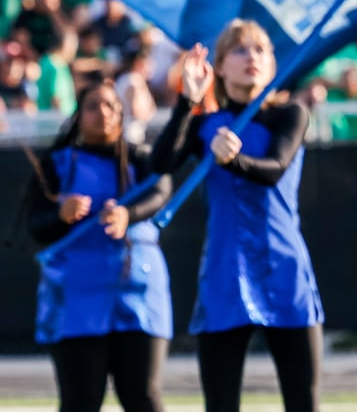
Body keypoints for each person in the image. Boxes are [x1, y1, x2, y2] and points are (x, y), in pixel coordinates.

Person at [150, 21, 323, 412]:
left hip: (284, 268)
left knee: (303, 401)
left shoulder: (290, 114)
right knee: (220, 402)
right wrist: (186, 102)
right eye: (240, 51)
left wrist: (233, 159)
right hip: (226, 271)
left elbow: (274, 168)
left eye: (260, 50)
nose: (252, 59)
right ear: (220, 66)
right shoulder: (204, 125)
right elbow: (160, 163)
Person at [27, 81, 173, 412]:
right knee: (80, 400)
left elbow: (162, 191)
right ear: (78, 116)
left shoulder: (140, 160)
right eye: (93, 106)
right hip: (75, 296)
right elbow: (36, 226)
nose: (103, 113)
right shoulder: (56, 164)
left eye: (111, 106)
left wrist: (128, 214)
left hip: (137, 294)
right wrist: (61, 215)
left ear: (122, 115)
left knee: (143, 396)